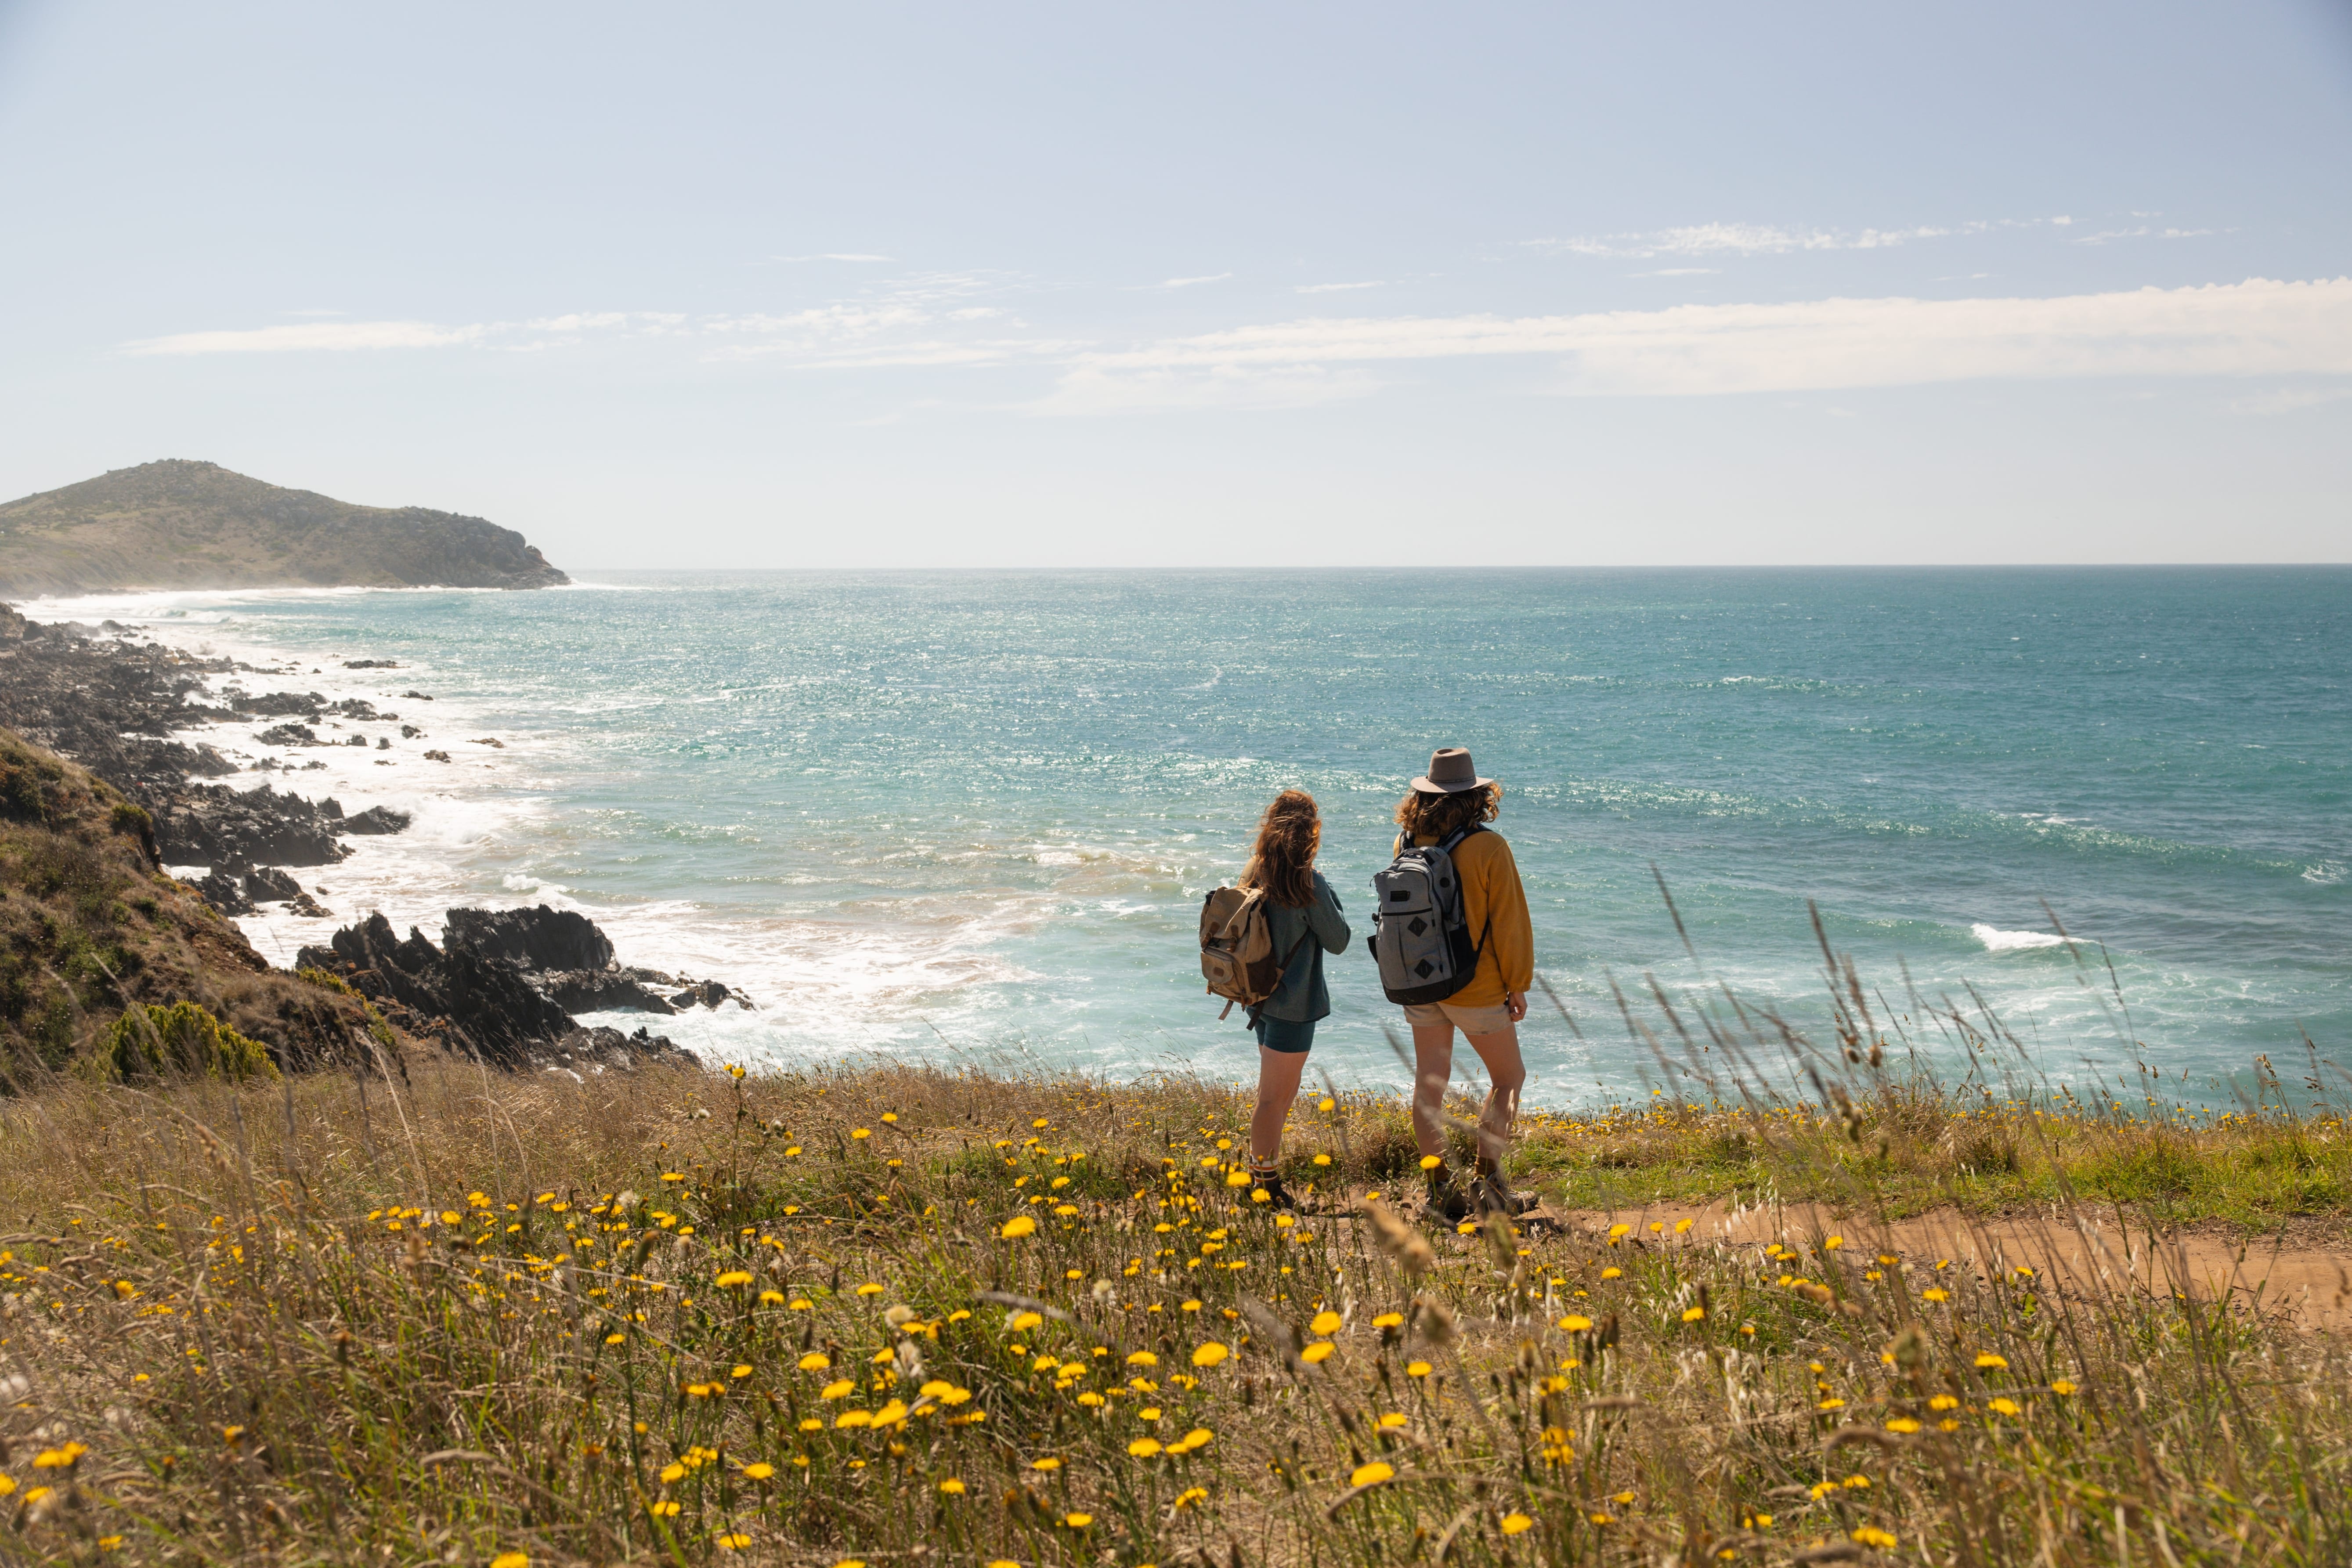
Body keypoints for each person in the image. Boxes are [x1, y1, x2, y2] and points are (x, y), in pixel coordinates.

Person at [1392, 746, 1533, 1221]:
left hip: (1421, 982)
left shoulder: (1405, 843)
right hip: (1476, 987)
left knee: (1429, 1085)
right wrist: (1518, 984)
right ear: (1477, 796)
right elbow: (1509, 922)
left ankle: (1440, 1193)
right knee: (1509, 1079)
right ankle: (1489, 1185)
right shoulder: (1488, 848)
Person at [1237, 788, 1351, 1205]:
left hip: (1260, 997)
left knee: (1276, 1094)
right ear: (1312, 833)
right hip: (1294, 1003)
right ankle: (1263, 1185)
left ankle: (1262, 1175)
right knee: (1273, 1097)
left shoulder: (1255, 869)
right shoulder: (1307, 881)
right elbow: (1338, 941)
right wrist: (1327, 893)